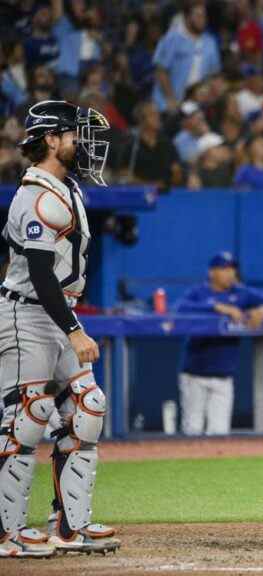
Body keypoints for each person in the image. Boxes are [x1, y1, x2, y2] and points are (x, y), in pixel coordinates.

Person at [0, 100, 120, 557]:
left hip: (56, 311)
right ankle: (5, 534)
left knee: (88, 408)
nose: (83, 143)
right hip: (27, 313)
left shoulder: (64, 187)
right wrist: (74, 331)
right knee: (25, 420)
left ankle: (70, 527)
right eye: (73, 134)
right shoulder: (36, 194)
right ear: (51, 139)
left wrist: (69, 326)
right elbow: (41, 273)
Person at [174, 252, 263, 436]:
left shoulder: (241, 293)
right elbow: (179, 308)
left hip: (224, 376)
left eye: (232, 269)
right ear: (212, 272)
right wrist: (215, 306)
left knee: (219, 433)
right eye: (224, 269)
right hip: (194, 374)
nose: (230, 273)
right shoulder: (199, 292)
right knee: (192, 430)